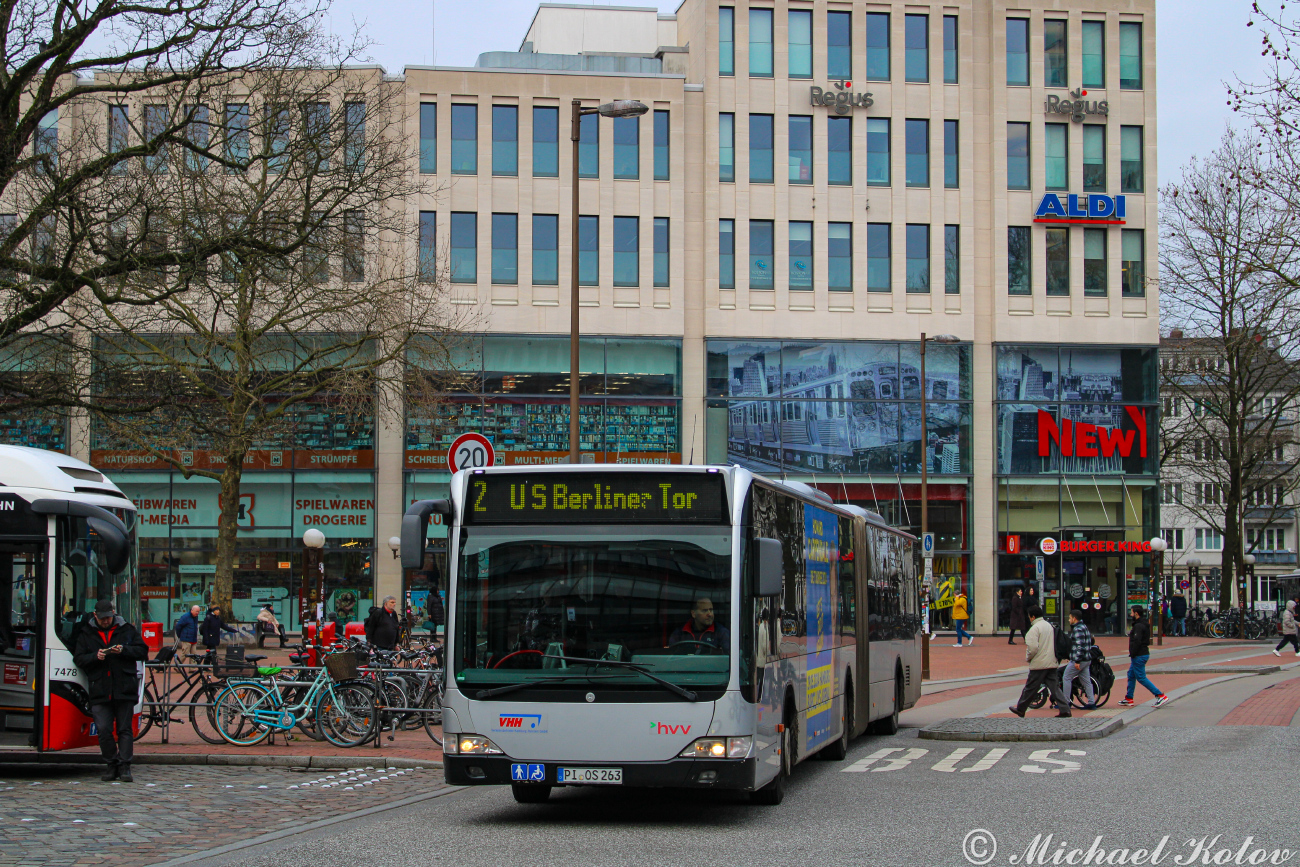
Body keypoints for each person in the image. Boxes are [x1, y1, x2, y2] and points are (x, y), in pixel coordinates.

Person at [72, 600, 148, 782]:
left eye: (109, 617)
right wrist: (95, 657)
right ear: (95, 615)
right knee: (104, 729)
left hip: (124, 686)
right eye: (102, 618)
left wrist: (124, 650)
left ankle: (125, 766)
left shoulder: (126, 629)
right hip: (100, 688)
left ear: (113, 614)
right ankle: (111, 764)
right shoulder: (86, 633)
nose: (106, 621)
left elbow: (142, 651)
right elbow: (79, 658)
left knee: (124, 729)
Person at [1008, 604, 1069, 718]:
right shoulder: (1049, 626)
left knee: (1030, 687)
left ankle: (1021, 708)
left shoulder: (1034, 629)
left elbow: (1033, 648)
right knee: (1054, 687)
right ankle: (1065, 709)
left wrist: (1028, 658)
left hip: (1039, 663)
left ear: (1032, 616)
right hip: (1051, 661)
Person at [1117, 607, 1169, 708]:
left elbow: (1137, 641)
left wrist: (1133, 653)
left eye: (1132, 612)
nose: (1130, 614)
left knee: (1141, 677)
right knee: (1131, 674)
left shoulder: (1138, 626)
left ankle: (1160, 695)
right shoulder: (1142, 624)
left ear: (1136, 613)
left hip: (1139, 655)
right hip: (1141, 654)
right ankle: (1129, 698)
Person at [1060, 610, 1096, 713]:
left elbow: (1080, 646)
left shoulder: (1078, 629)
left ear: (1074, 618)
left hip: (1080, 660)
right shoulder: (1084, 627)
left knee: (1066, 677)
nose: (1069, 619)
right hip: (1087, 659)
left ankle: (1066, 703)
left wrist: (1077, 660)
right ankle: (1091, 702)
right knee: (1086, 681)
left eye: (1070, 618)